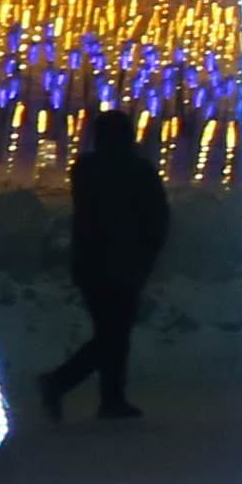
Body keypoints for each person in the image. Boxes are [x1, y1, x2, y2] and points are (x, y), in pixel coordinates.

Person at [42, 106, 168, 422]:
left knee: (108, 331)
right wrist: (149, 254)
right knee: (115, 334)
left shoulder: (84, 168)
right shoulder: (140, 171)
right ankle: (65, 382)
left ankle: (110, 397)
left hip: (90, 261)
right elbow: (157, 219)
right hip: (125, 261)